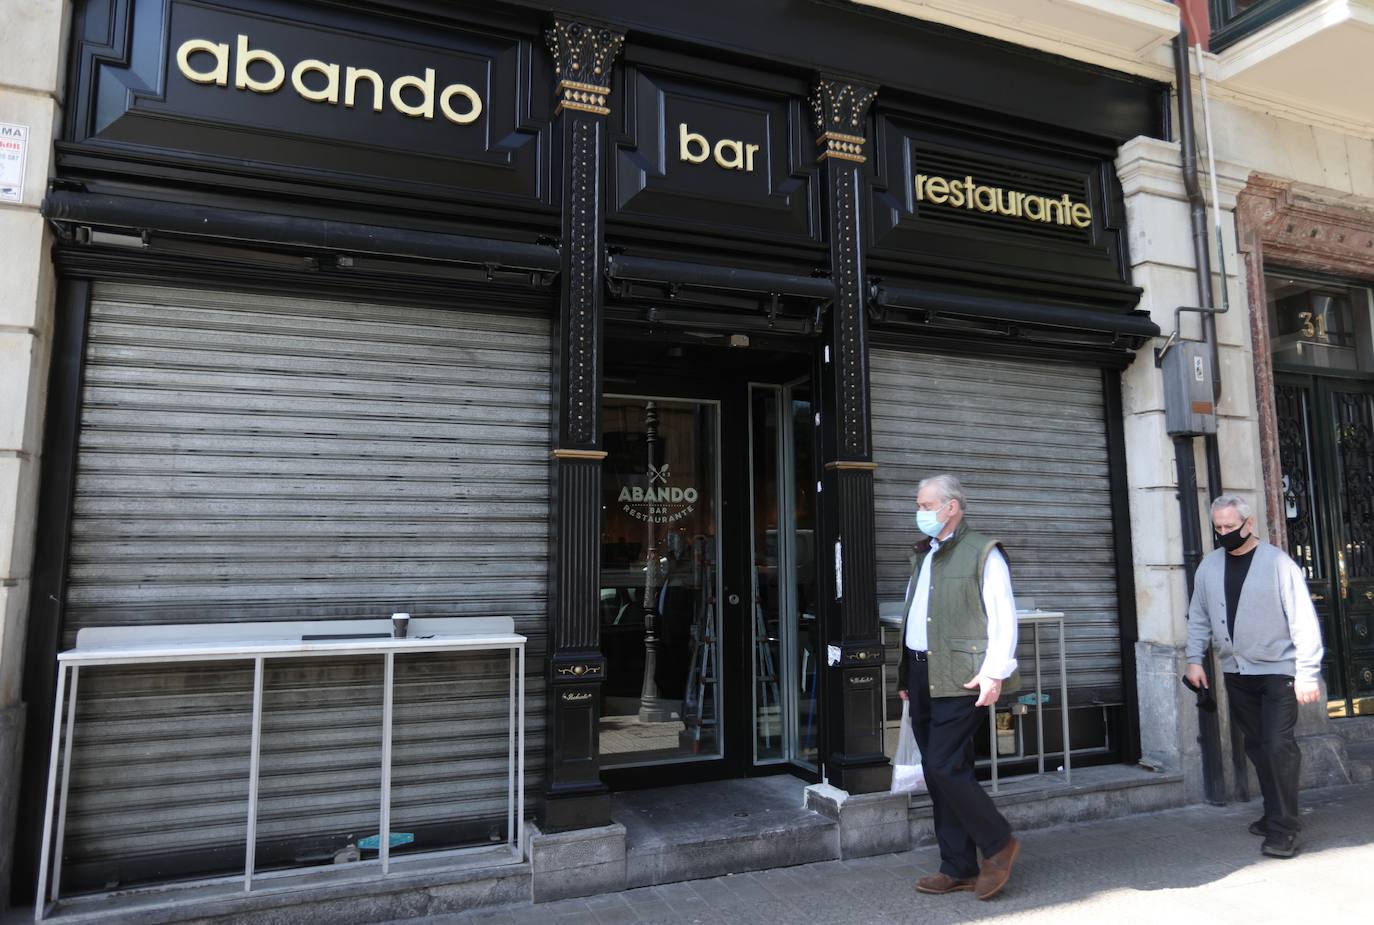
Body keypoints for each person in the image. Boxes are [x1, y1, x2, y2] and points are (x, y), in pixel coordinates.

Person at [896, 474, 1020, 900]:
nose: (919, 512)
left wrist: (995, 672)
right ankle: (958, 866)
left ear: (951, 507)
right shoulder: (924, 554)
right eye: (919, 504)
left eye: (926, 504)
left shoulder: (983, 552)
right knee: (942, 771)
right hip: (922, 673)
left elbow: (1003, 617)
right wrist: (904, 676)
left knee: (944, 765)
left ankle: (999, 841)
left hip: (964, 677)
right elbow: (915, 616)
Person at [1185, 493, 1323, 859]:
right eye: (1218, 527)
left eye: (1231, 526)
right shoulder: (1209, 567)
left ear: (1249, 524)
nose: (1224, 532)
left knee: (1278, 747)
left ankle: (1284, 830)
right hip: (1236, 672)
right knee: (1258, 746)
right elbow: (1198, 615)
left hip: (1278, 672)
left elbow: (1303, 620)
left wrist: (1308, 673)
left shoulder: (1279, 565)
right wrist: (1194, 660)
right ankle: (1274, 812)